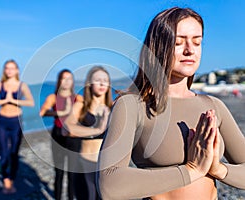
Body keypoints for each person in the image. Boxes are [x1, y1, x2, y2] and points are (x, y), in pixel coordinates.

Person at [98, 7, 245, 200]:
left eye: (197, 42)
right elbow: (110, 184)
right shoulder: (133, 105)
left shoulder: (213, 105)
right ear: (158, 46)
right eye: (178, 42)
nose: (190, 50)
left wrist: (218, 169)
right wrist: (191, 170)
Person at [0, 59, 34, 194]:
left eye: (12, 68)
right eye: (7, 68)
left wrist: (13, 100)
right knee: (4, 153)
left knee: (14, 153)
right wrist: (3, 100)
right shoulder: (0, 85)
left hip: (16, 122)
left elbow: (31, 102)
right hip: (2, 121)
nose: (9, 71)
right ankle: (6, 181)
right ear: (4, 70)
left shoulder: (22, 85)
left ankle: (12, 179)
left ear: (17, 70)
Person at [65, 66, 112, 200]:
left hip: (106, 166)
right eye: (97, 80)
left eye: (105, 80)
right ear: (89, 84)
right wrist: (97, 130)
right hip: (86, 164)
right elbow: (68, 128)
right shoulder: (81, 106)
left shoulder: (114, 106)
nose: (102, 83)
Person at [39, 69, 83, 200]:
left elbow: (85, 116)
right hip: (58, 135)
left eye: (69, 78)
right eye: (64, 78)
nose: (67, 81)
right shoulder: (53, 97)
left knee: (72, 173)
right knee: (59, 172)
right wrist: (62, 112)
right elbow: (42, 113)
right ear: (59, 81)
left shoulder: (78, 98)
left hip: (74, 137)